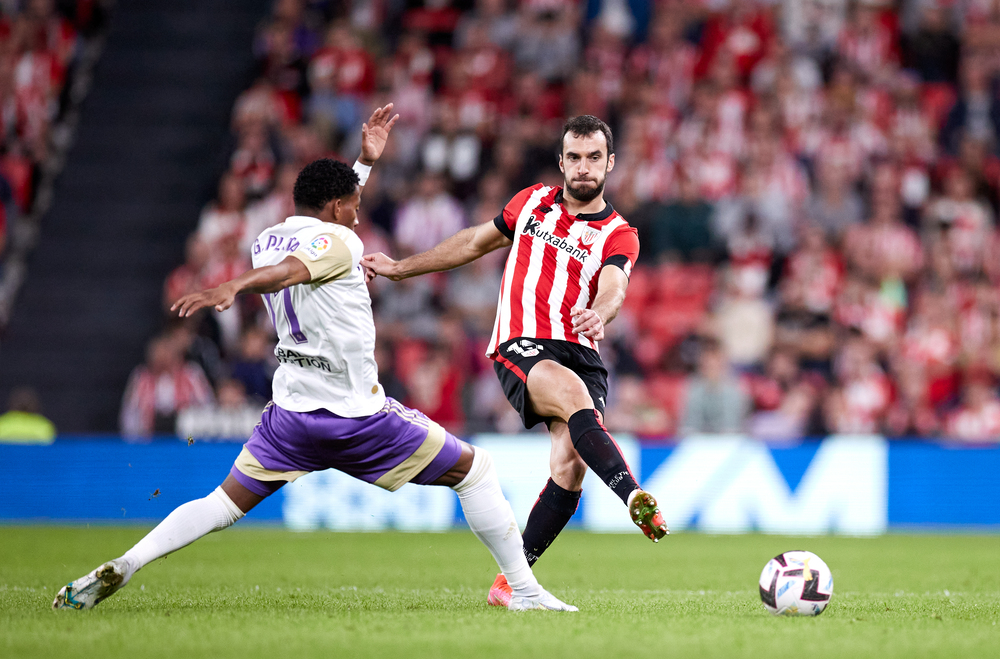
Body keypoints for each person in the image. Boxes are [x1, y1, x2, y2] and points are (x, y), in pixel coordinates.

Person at [53, 105, 574, 614]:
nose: (356, 212)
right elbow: (292, 269)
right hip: (356, 418)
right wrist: (231, 286)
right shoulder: (338, 243)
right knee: (476, 470)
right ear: (335, 210)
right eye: (351, 204)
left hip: (291, 416)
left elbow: (309, 238)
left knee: (221, 504)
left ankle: (130, 560)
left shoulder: (266, 237)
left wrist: (363, 165)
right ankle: (525, 592)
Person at [362, 114, 668, 608]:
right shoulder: (531, 202)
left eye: (594, 158)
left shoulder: (619, 233)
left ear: (610, 163)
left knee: (569, 467)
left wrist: (600, 311)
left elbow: (615, 285)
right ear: (561, 161)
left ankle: (510, 585)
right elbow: (475, 241)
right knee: (569, 397)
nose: (583, 168)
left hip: (582, 349)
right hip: (523, 342)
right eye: (574, 157)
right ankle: (633, 495)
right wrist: (402, 268)